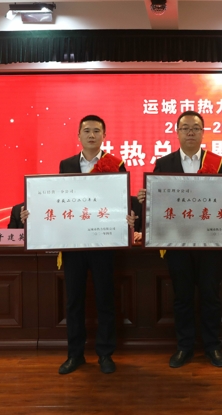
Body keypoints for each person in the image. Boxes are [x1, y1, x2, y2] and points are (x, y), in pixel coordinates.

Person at [138, 110, 222, 369]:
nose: (190, 132)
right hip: (177, 243)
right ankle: (184, 346)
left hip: (210, 243)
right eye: (185, 127)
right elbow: (159, 204)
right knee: (182, 297)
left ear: (202, 133)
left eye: (196, 128)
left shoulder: (218, 163)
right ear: (177, 132)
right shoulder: (163, 163)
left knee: (211, 296)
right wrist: (146, 198)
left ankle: (212, 346)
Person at [56, 115, 126, 376]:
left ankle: (105, 354)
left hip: (103, 242)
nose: (92, 135)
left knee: (105, 300)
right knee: (74, 301)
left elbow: (120, 200)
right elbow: (59, 198)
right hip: (74, 243)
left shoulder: (116, 164)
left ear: (104, 135)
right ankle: (75, 355)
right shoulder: (66, 164)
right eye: (86, 131)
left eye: (97, 131)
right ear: (78, 135)